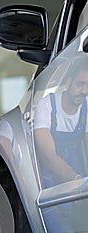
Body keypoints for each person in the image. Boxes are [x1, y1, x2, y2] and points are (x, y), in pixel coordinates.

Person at [34, 54, 88, 188]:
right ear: (68, 82)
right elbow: (47, 155)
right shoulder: (46, 106)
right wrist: (75, 180)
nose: (84, 91)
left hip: (77, 173)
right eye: (80, 84)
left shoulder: (86, 107)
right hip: (50, 180)